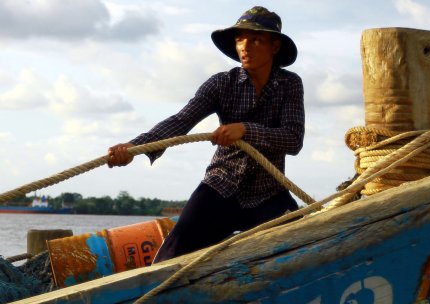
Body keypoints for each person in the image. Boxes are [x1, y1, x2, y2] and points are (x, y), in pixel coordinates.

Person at [107, 6, 304, 263]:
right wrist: (134, 147)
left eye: (255, 39)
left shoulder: (290, 84)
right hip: (221, 187)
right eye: (240, 39)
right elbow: (180, 121)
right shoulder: (222, 83)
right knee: (170, 258)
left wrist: (246, 129)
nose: (245, 46)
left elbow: (293, 139)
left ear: (274, 47)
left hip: (268, 194)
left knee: (307, 244)